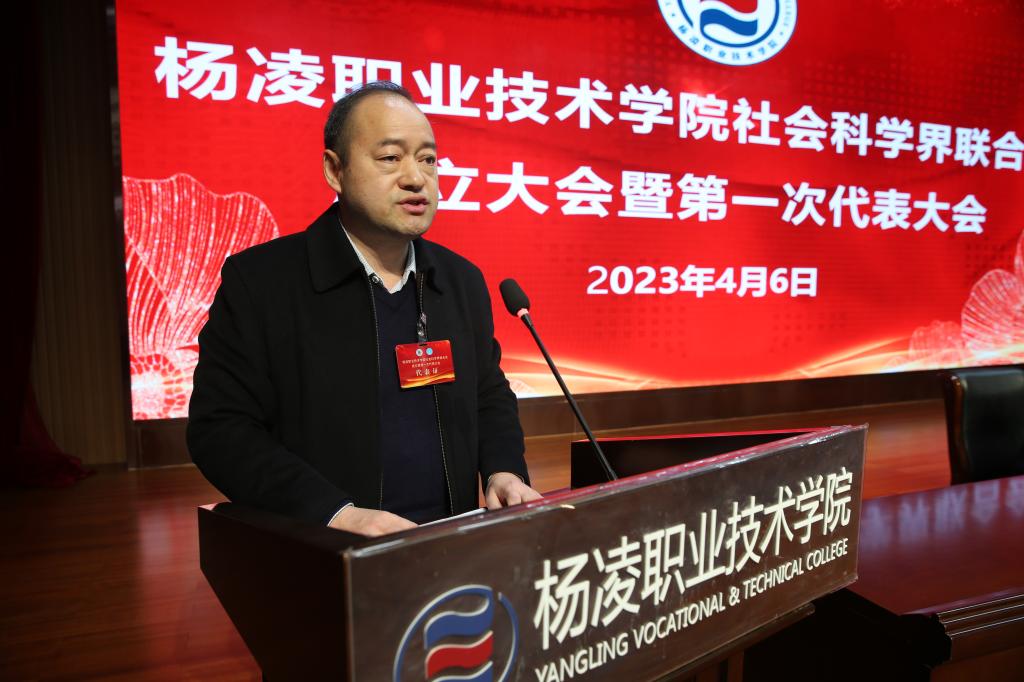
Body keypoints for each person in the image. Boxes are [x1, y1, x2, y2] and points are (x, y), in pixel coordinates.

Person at [187, 81, 541, 537]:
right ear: (335, 170)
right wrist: (335, 515)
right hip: (325, 550)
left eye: (428, 159)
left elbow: (488, 396)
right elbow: (221, 430)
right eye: (391, 157)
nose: (416, 178)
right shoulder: (262, 282)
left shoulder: (460, 281)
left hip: (449, 547)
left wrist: (502, 470)